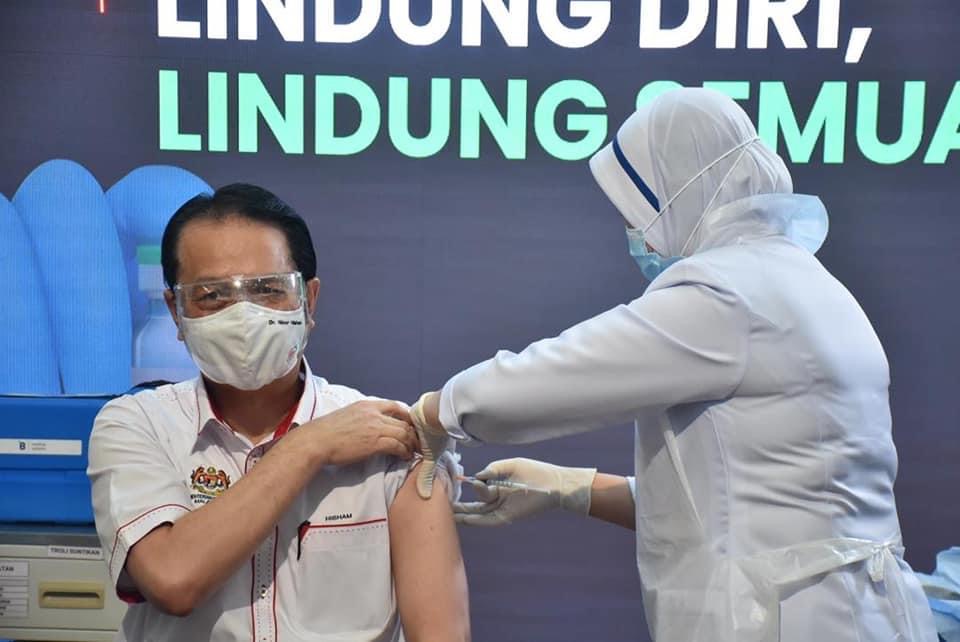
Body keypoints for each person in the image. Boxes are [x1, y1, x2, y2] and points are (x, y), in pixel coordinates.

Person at [408, 88, 937, 642]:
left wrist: (436, 411)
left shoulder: (726, 293)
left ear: (683, 192)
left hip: (785, 620)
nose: (634, 232)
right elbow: (743, 505)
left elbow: (555, 376)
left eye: (637, 211)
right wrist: (570, 488)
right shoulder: (809, 284)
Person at [87, 184, 470, 642]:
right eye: (212, 295)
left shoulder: (389, 441)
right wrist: (310, 444)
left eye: (268, 290)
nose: (243, 315)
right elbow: (172, 580)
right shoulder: (137, 425)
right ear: (176, 310)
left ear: (310, 300)